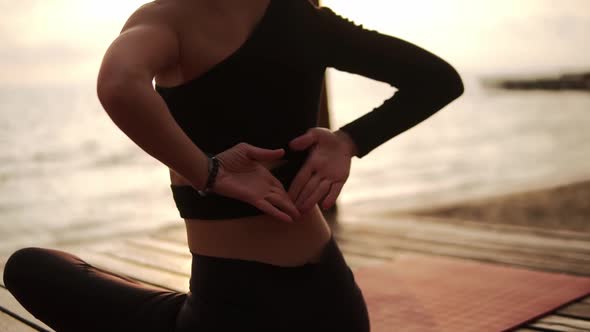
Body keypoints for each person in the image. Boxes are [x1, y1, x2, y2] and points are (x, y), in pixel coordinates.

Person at [3, 0, 464, 331]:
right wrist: (347, 141)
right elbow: (438, 79)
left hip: (233, 312)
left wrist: (210, 173)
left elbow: (120, 83)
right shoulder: (304, 17)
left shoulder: (169, 18)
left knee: (28, 267)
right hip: (335, 303)